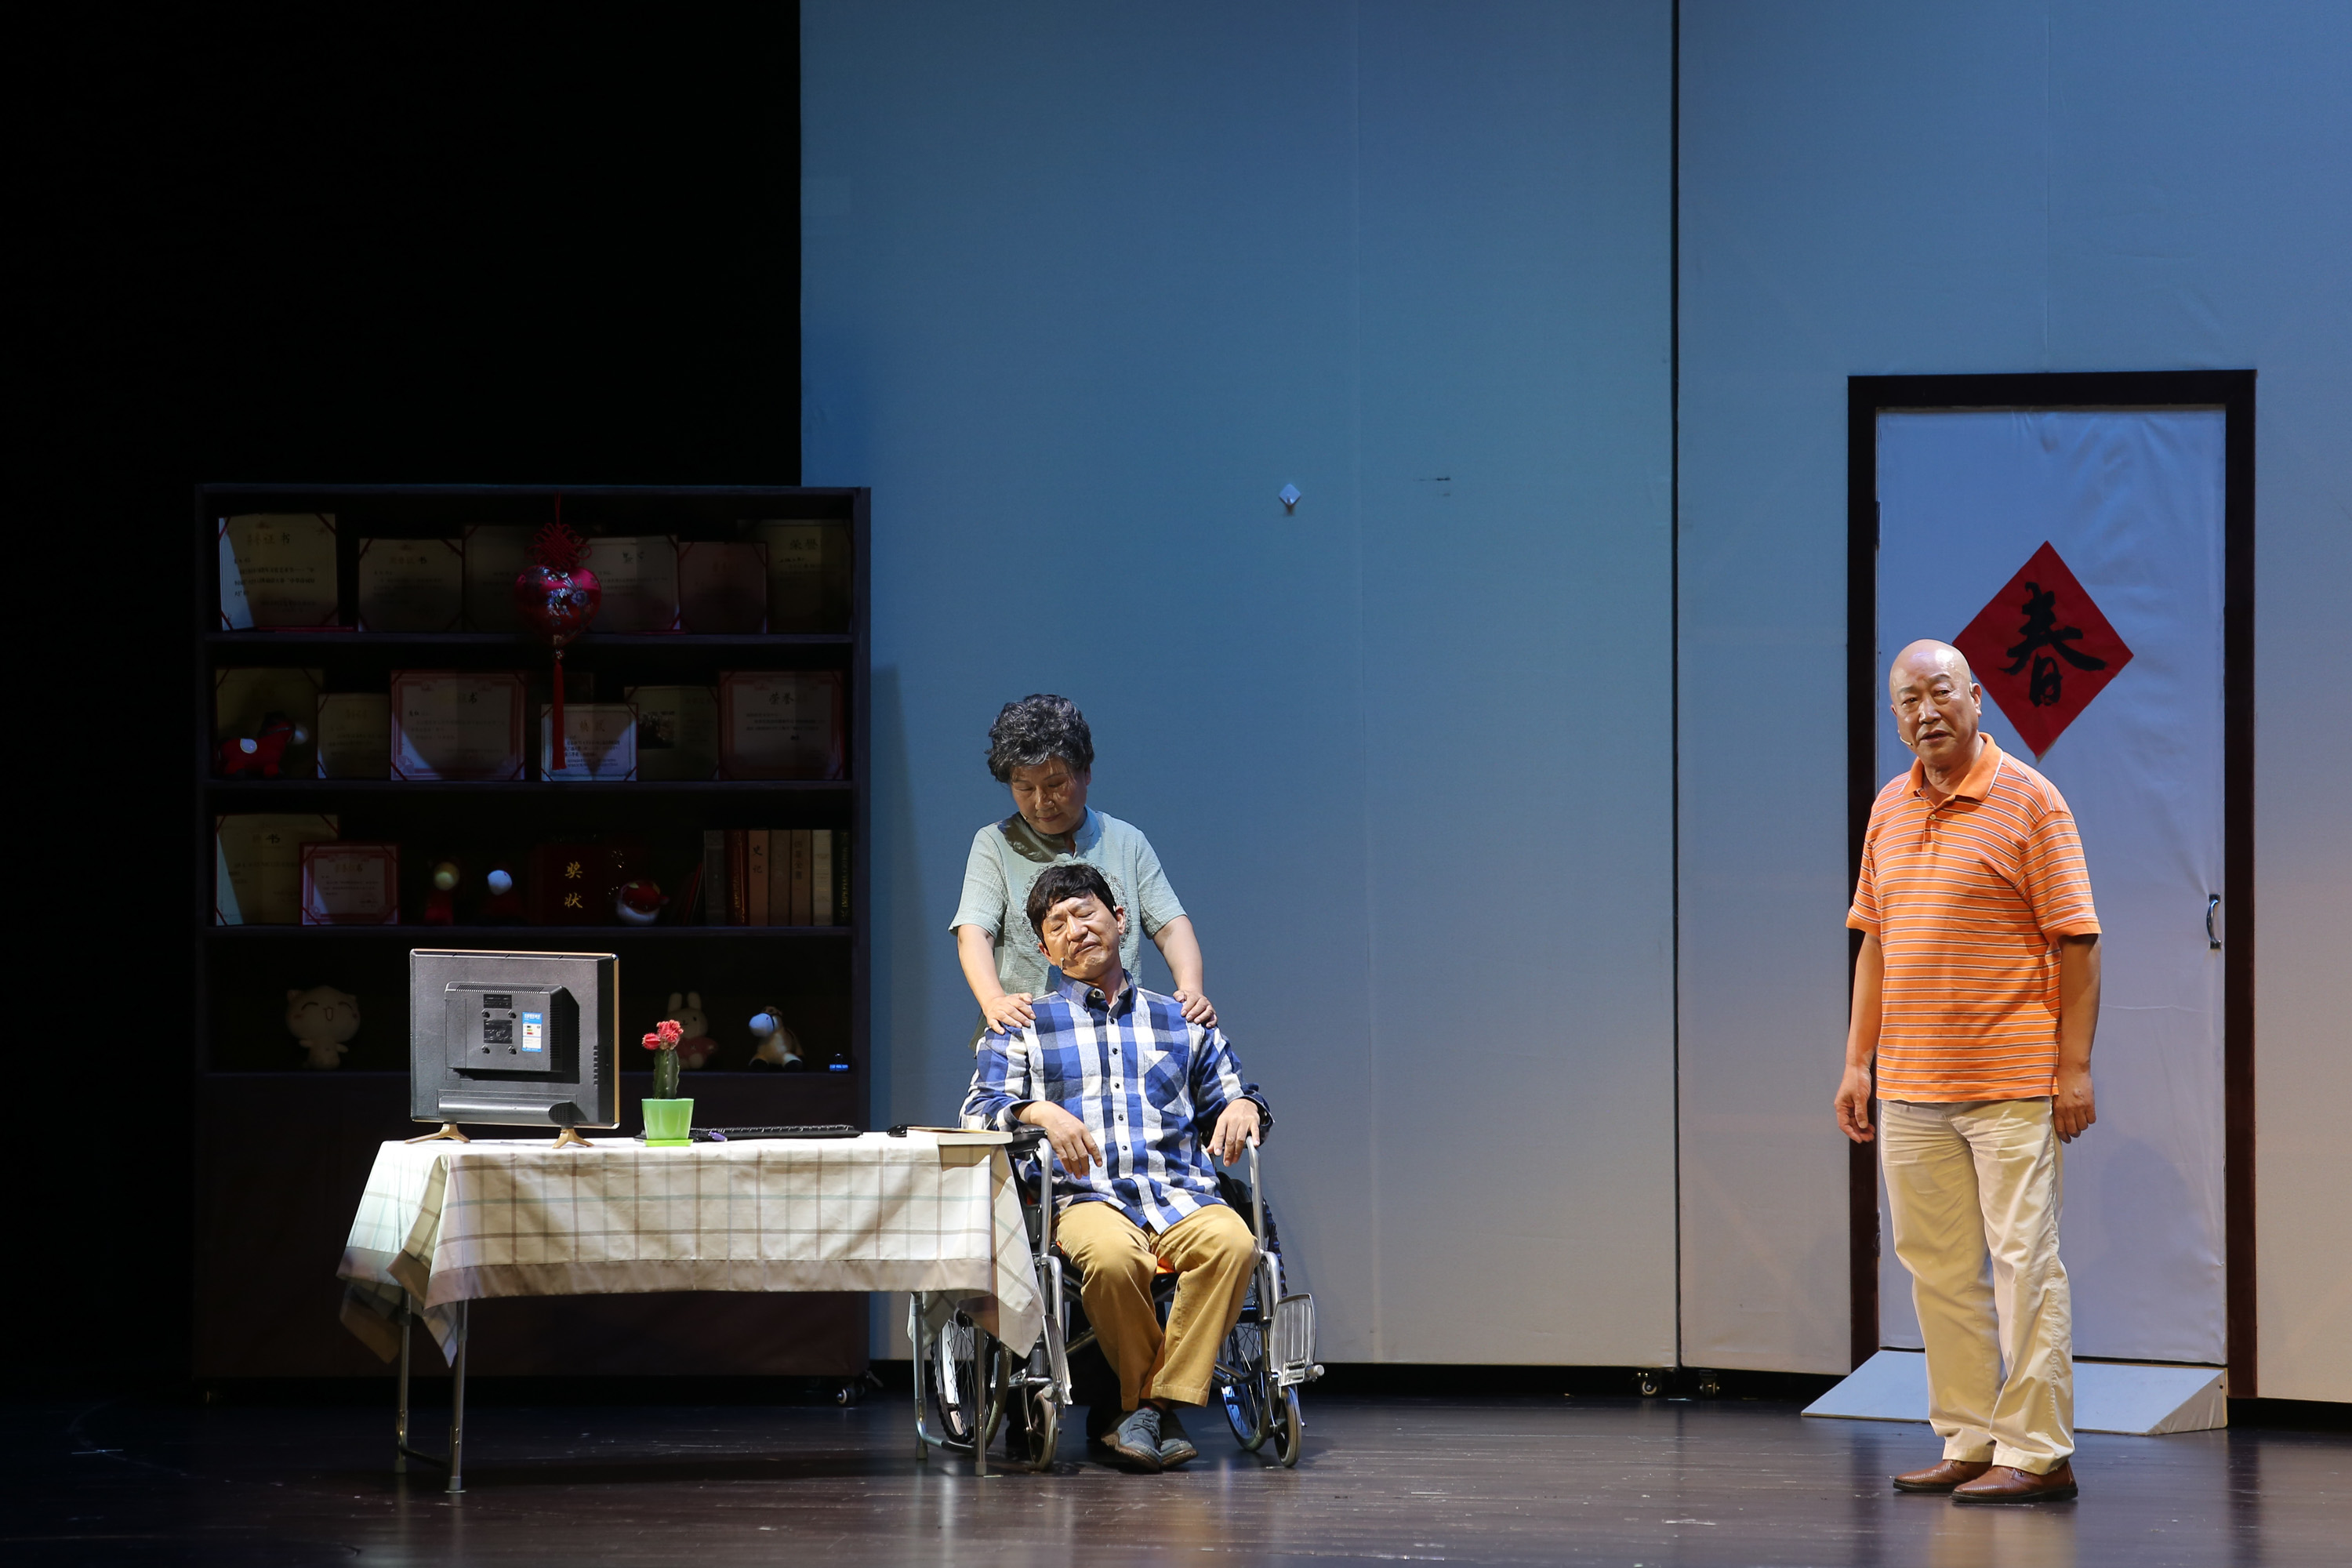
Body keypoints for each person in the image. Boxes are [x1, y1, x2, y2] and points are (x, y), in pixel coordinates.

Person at [1837, 639, 2102, 1505]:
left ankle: (2038, 1451)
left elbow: (2077, 938)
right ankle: (1969, 1436)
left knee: (2025, 1262)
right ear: (1896, 717)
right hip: (1912, 1084)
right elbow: (1876, 940)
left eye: (1940, 692)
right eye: (1908, 701)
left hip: (2009, 1081)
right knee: (1938, 1268)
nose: (1926, 712)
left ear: (1977, 697)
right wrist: (1857, 1061)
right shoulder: (1889, 806)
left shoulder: (2030, 799)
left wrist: (2073, 1069)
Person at [962, 862, 1269, 1472]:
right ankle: (1158, 1407)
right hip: (1085, 1200)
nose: (1075, 931)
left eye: (1085, 913)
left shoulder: (1182, 1018)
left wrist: (1245, 1106)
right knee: (1111, 1258)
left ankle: (1146, 1406)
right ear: (1044, 949)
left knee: (1236, 1244)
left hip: (1180, 1193)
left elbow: (1234, 1093)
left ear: (1120, 919)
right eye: (1057, 925)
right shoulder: (1023, 1025)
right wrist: (1036, 1111)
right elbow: (978, 1113)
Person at [952, 694, 1214, 1046]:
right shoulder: (995, 843)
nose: (1041, 802)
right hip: (1028, 1036)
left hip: (1120, 1035)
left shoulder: (1125, 841)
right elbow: (974, 933)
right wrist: (993, 1001)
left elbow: (1171, 927)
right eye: (1024, 788)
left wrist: (1191, 990)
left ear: (1086, 771)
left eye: (1055, 785)